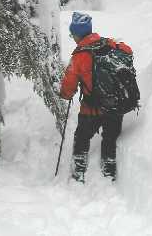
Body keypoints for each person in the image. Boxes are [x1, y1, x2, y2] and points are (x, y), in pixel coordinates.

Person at [60, 12, 131, 183]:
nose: (73, 38)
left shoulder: (79, 57)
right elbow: (128, 51)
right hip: (115, 106)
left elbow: (67, 88)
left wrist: (65, 94)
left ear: (78, 34)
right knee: (110, 138)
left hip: (91, 109)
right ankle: (109, 173)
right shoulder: (111, 45)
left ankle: (78, 172)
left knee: (82, 138)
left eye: (73, 34)